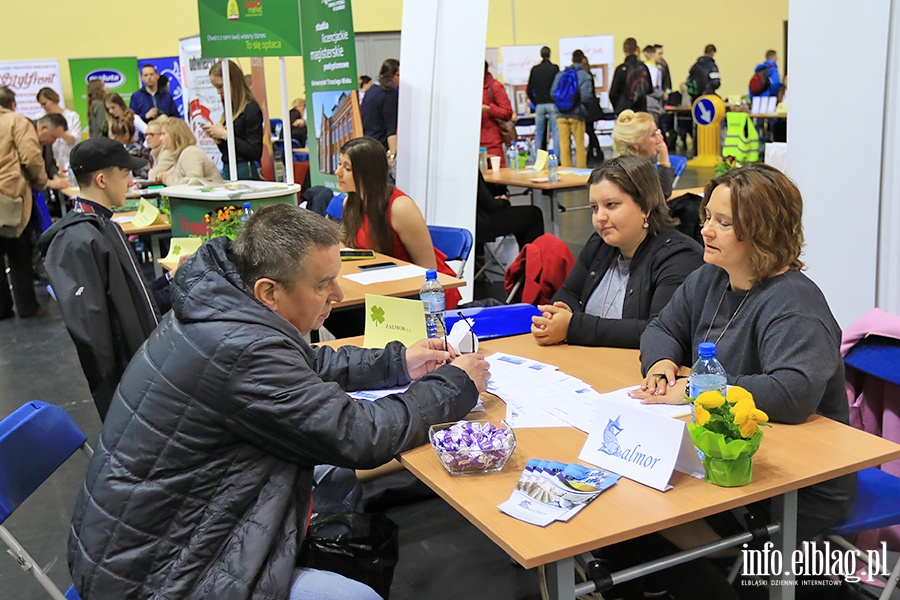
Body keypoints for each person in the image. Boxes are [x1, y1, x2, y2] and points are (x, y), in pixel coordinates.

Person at [67, 203, 490, 600]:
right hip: (160, 576)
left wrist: (399, 361)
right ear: (268, 291)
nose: (338, 295)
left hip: (149, 539)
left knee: (333, 478)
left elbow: (301, 363)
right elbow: (361, 435)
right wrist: (455, 385)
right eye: (324, 284)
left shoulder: (223, 310)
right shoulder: (241, 350)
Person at [632, 163, 856, 542]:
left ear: (764, 233)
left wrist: (694, 389)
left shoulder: (795, 304)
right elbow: (662, 327)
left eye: (724, 222)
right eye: (708, 217)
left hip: (799, 481)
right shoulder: (713, 275)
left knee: (646, 519)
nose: (705, 229)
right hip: (731, 453)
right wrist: (661, 363)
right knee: (636, 494)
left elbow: (792, 395)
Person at [39, 138, 175, 420]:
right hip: (131, 389)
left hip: (142, 374)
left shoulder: (100, 228)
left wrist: (172, 280)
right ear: (102, 179)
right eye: (125, 174)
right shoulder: (81, 240)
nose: (130, 182)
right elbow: (95, 338)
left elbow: (133, 298)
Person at [531, 155, 701, 349]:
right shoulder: (600, 244)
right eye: (594, 208)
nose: (600, 217)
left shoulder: (679, 257)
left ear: (645, 207)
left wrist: (572, 326)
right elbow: (568, 292)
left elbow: (659, 330)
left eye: (611, 205)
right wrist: (559, 314)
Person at [0, 86, 47, 319]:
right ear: (13, 104)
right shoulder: (16, 121)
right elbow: (30, 156)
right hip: (10, 195)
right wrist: (41, 182)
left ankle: (2, 310)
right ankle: (28, 307)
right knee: (19, 253)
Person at [204, 59, 264, 180]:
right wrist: (219, 140)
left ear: (234, 82)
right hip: (228, 168)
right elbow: (229, 152)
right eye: (216, 87)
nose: (218, 92)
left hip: (244, 171)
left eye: (221, 86)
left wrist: (226, 135)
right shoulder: (230, 110)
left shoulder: (251, 109)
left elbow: (254, 152)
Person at [475, 169, 544, 253]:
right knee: (533, 215)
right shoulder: (470, 166)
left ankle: (479, 254)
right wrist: (504, 201)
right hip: (480, 225)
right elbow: (490, 205)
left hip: (465, 225)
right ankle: (532, 262)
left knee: (519, 217)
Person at [612, 110, 675, 199]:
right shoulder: (629, 174)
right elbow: (662, 194)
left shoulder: (636, 165)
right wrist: (663, 155)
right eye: (653, 135)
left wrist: (662, 153)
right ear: (636, 144)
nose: (659, 138)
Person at [550, 50, 594, 168]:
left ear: (572, 59)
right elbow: (586, 96)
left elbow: (552, 92)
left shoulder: (560, 74)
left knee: (564, 145)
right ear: (582, 60)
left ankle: (566, 171)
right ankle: (580, 173)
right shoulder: (584, 75)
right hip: (577, 114)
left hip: (560, 114)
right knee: (579, 145)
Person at [156, 117, 222, 185]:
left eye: (163, 134)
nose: (160, 138)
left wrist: (168, 179)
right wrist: (165, 176)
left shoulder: (190, 153)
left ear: (175, 136)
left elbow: (194, 182)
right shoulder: (181, 154)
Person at [359, 58, 400, 157]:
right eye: (398, 75)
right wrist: (393, 156)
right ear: (390, 75)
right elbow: (390, 127)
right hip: (379, 147)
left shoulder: (372, 90)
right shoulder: (389, 93)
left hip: (366, 143)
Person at [36, 87, 82, 171]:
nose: (43, 107)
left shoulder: (72, 116)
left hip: (69, 161)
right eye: (41, 104)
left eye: (45, 103)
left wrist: (60, 134)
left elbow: (76, 140)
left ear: (53, 99)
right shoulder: (40, 118)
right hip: (49, 163)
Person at [526, 45, 559, 153]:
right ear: (550, 55)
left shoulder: (535, 70)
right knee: (555, 132)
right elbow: (558, 86)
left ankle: (538, 159)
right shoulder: (554, 68)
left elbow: (529, 89)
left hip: (539, 104)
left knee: (539, 132)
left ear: (541, 55)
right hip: (552, 103)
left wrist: (535, 102)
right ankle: (557, 157)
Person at [480, 61, 514, 167]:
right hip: (475, 143)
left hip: (492, 143)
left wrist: (489, 109)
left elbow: (507, 112)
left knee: (496, 178)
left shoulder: (495, 86)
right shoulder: (470, 88)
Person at [609, 37, 652, 115]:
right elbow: (649, 89)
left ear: (624, 50)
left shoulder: (620, 69)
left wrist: (618, 107)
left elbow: (613, 93)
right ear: (636, 49)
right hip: (641, 110)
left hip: (624, 110)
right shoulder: (643, 67)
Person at [145, 115, 176, 180]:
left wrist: (151, 172)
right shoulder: (156, 153)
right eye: (146, 134)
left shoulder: (167, 152)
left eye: (151, 135)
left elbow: (153, 177)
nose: (147, 138)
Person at [642, 45, 666, 124]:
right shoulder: (651, 69)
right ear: (652, 54)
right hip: (651, 106)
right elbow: (650, 88)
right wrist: (662, 95)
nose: (661, 57)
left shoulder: (658, 67)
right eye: (659, 54)